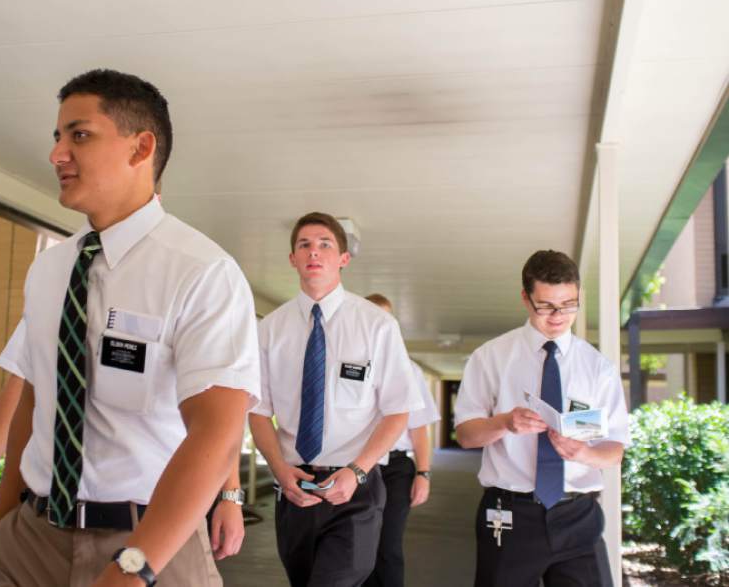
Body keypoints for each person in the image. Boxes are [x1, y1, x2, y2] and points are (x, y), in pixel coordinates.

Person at [0, 68, 260, 587]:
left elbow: (217, 432)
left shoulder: (202, 272)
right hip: (31, 539)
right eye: (57, 137)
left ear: (141, 148)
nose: (57, 154)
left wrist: (133, 568)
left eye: (80, 135)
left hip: (150, 544)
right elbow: (36, 404)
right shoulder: (51, 271)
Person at [249, 212, 423, 586]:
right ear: (293, 258)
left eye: (325, 244)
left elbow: (397, 411)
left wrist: (357, 470)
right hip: (294, 488)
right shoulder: (269, 330)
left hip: (354, 487)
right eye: (304, 245)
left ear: (344, 259)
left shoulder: (377, 326)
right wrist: (279, 470)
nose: (314, 252)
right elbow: (258, 412)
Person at [454, 250, 630, 587]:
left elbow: (615, 449)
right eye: (546, 305)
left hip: (578, 514)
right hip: (509, 515)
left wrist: (583, 453)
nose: (558, 315)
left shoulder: (598, 367)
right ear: (525, 298)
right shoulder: (490, 357)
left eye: (569, 304)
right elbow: (465, 435)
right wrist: (503, 423)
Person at [363, 291, 439, 587]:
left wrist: (423, 473)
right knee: (358, 544)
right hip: (357, 466)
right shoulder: (347, 363)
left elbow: (419, 426)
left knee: (387, 545)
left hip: (395, 469)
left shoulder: (410, 369)